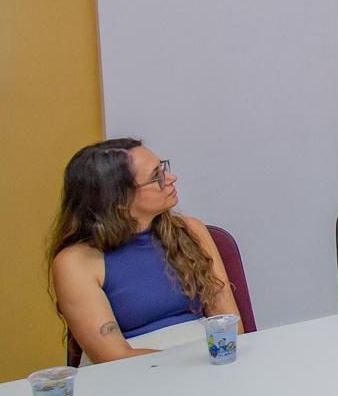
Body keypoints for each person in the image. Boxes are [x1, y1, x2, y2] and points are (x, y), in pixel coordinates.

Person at [47, 138, 241, 365]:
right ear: (119, 199)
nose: (171, 178)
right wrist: (192, 364)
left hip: (208, 363)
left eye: (163, 168)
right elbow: (113, 357)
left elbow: (231, 325)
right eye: (156, 176)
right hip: (134, 375)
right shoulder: (75, 262)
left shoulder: (191, 231)